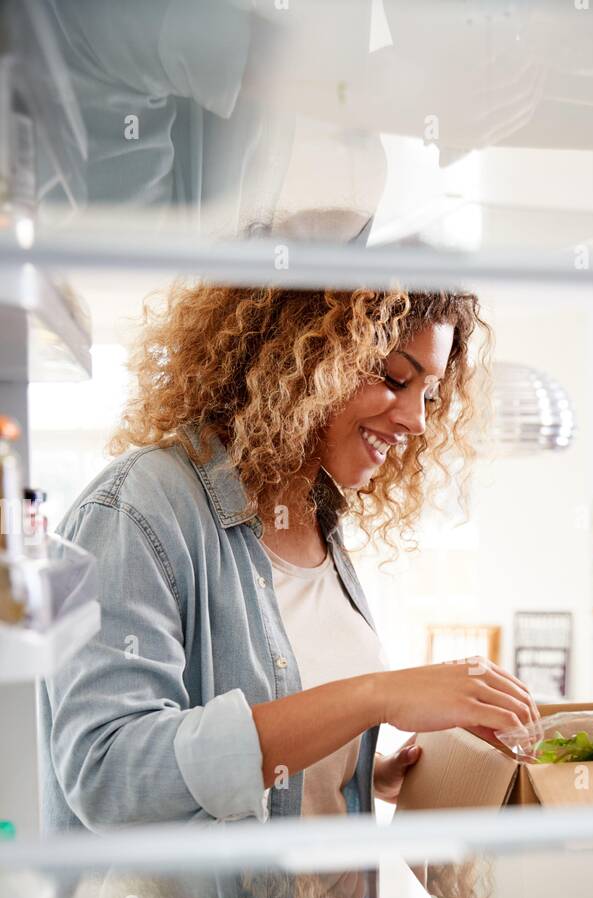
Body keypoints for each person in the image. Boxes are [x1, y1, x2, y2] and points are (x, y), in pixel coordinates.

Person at [38, 283, 540, 832]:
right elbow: (113, 777)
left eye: (430, 394)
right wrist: (378, 696)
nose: (417, 420)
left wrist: (357, 770)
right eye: (396, 377)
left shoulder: (316, 517)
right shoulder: (138, 509)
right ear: (302, 357)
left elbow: (274, 749)